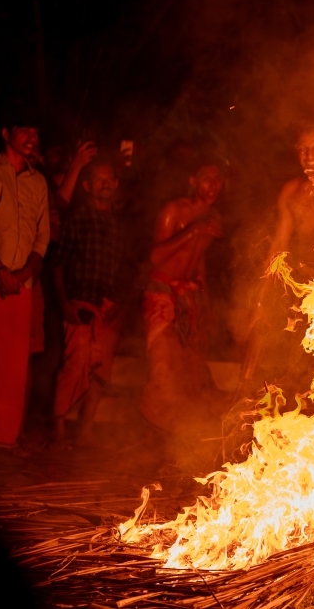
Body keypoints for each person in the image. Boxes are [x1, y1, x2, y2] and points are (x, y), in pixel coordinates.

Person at [240, 123, 314, 408]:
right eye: (303, 149)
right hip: (299, 288)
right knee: (290, 366)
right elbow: (279, 245)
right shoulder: (292, 191)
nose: (309, 155)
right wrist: (262, 297)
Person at [139, 158, 226, 433]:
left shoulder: (214, 218)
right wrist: (192, 231)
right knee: (163, 367)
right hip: (162, 295)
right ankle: (154, 435)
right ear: (192, 181)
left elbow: (198, 260)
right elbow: (155, 257)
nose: (212, 186)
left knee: (191, 366)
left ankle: (181, 439)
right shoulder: (173, 211)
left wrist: (204, 301)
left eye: (217, 180)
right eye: (205, 178)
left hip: (188, 297)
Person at [51, 160, 125, 446]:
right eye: (99, 180)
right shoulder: (78, 218)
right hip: (80, 302)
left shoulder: (119, 224)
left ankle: (85, 429)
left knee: (100, 370)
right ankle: (57, 429)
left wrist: (119, 303)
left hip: (108, 307)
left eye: (109, 179)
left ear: (115, 185)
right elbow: (58, 265)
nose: (105, 184)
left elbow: (125, 268)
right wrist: (65, 303)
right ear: (87, 186)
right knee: (74, 366)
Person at [0, 121, 50, 449]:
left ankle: (4, 439)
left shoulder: (38, 181)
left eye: (36, 132)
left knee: (15, 367)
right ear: (6, 133)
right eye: (25, 130)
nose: (32, 137)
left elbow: (42, 234)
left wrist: (25, 270)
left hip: (22, 283)